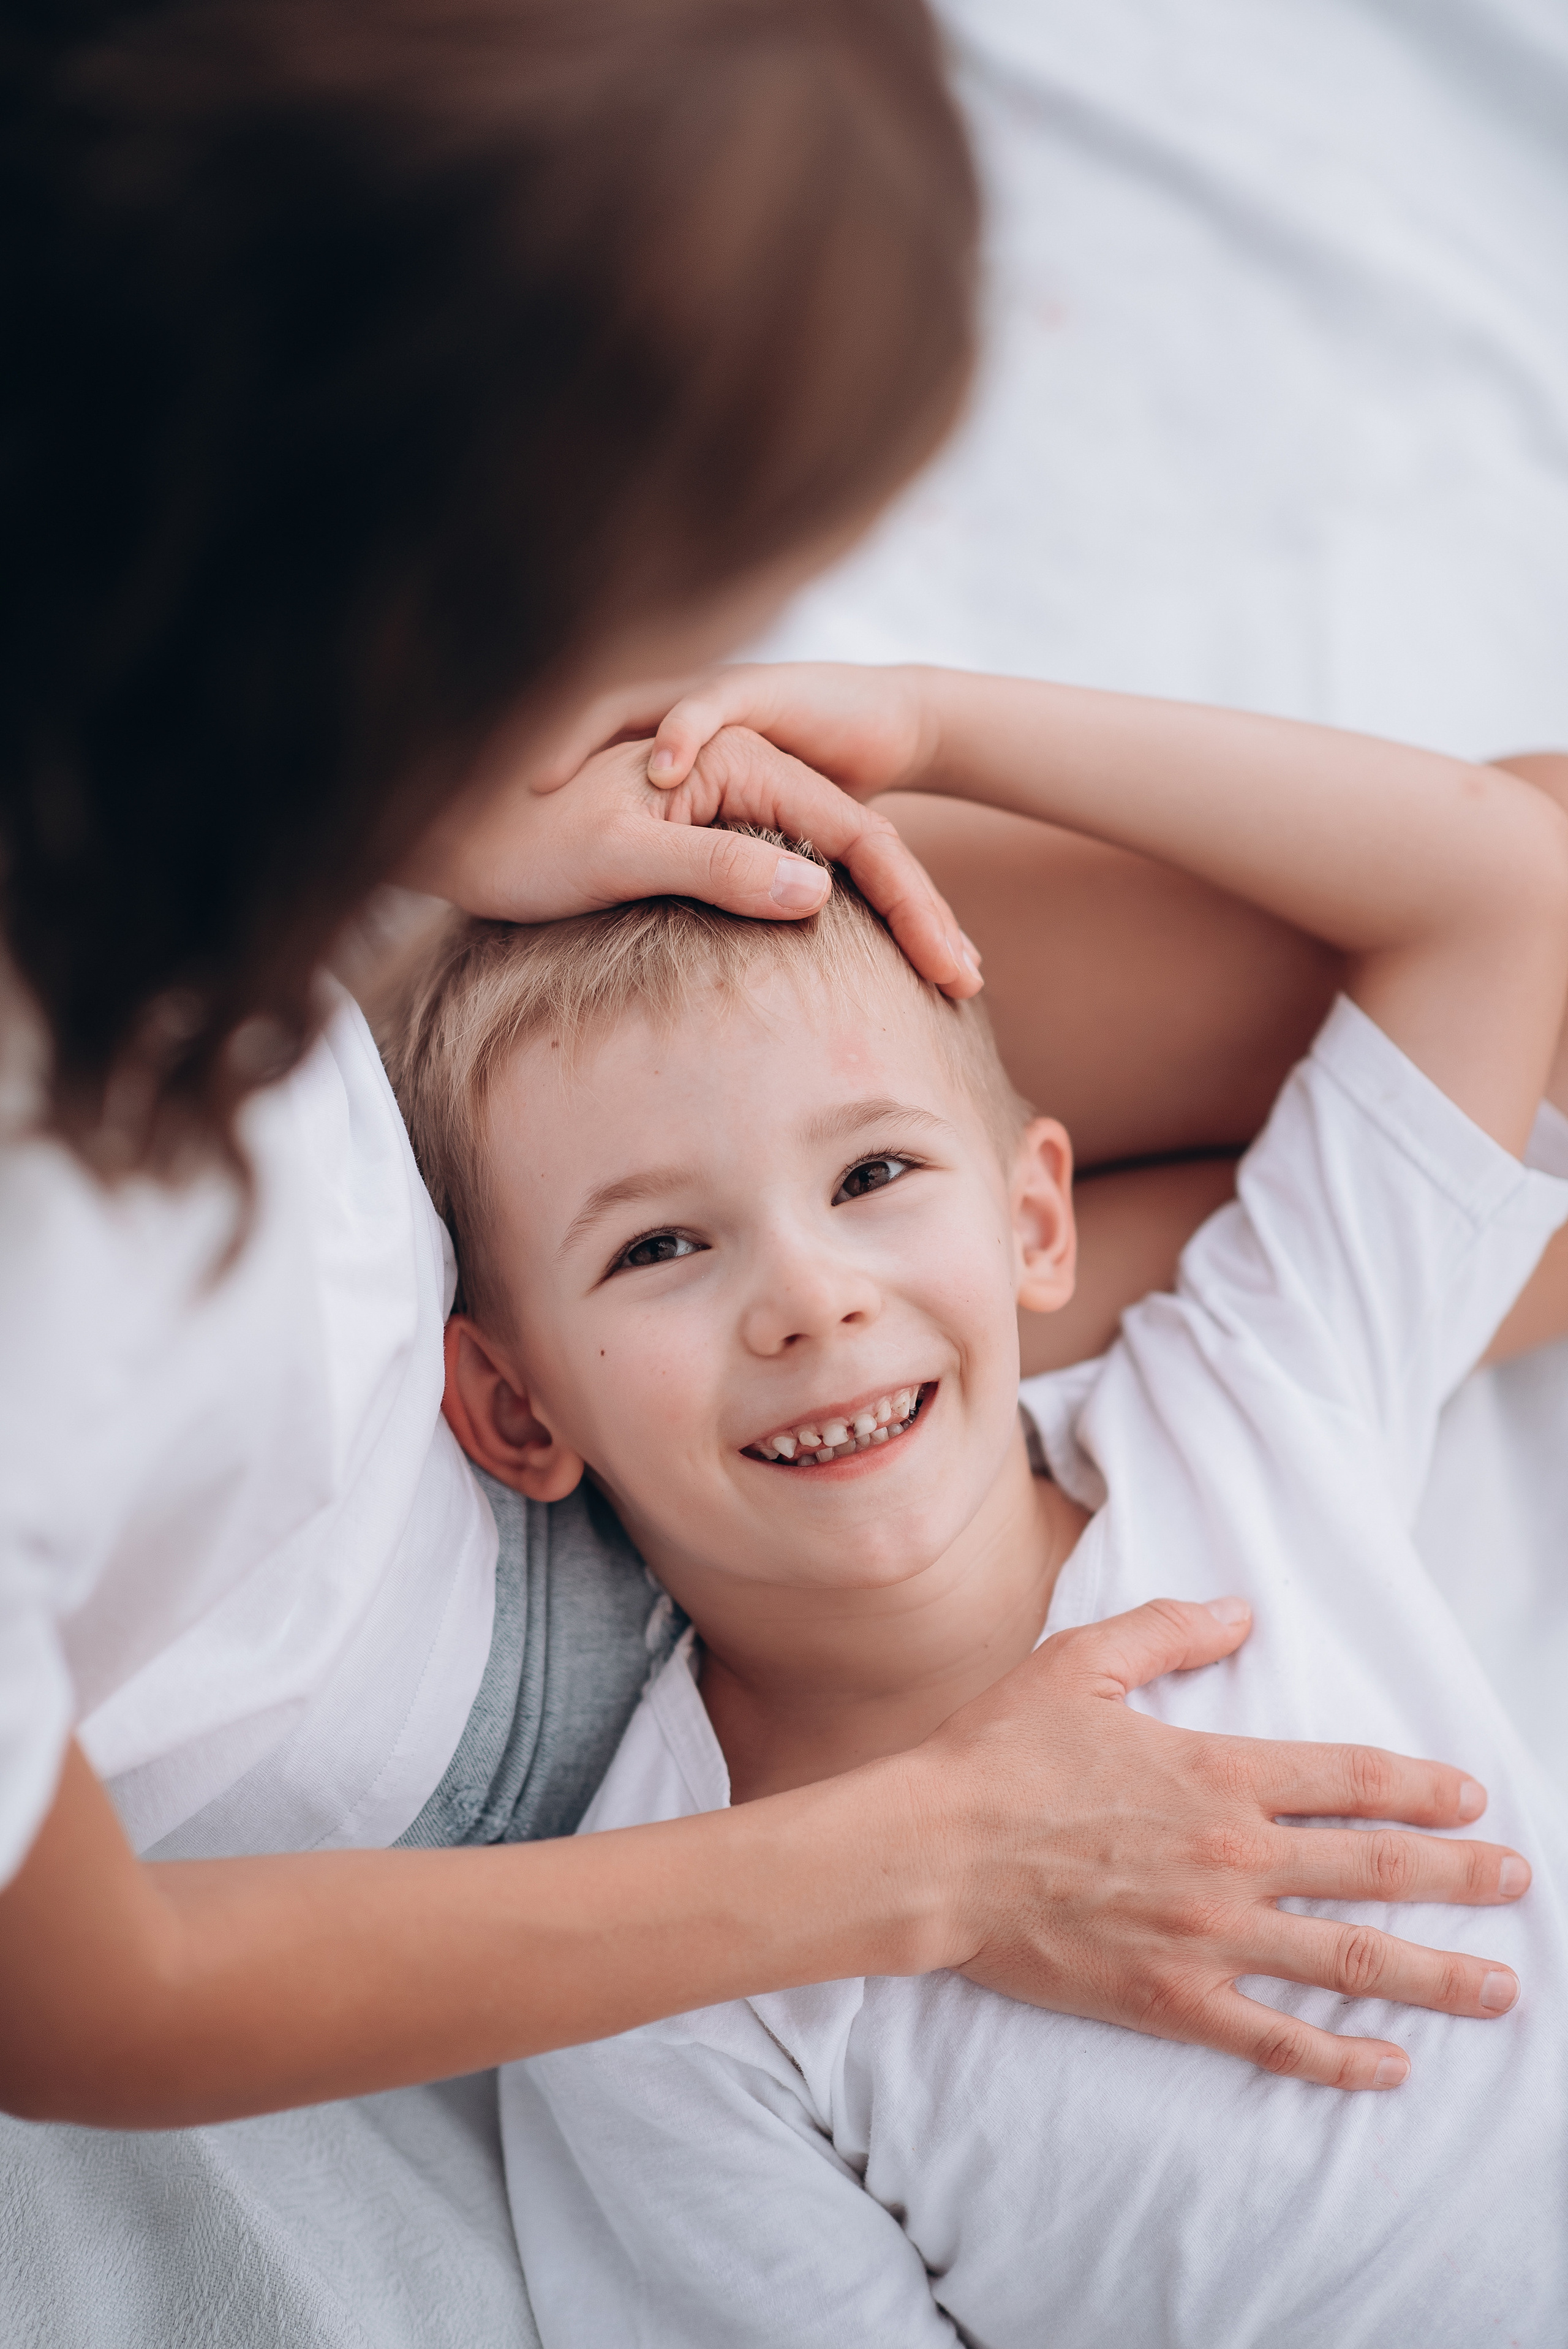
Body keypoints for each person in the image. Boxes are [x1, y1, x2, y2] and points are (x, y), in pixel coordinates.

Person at [0, 0, 1526, 2153]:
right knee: (1451, 1149)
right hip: (508, 1639)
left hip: (446, 1149)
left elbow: (1493, 897)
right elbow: (76, 2007)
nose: (676, 689)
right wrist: (934, 1855)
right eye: (641, 620)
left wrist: (411, 818)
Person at [382, 671, 1568, 2344]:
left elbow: (1510, 877)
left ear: (1035, 1221)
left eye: (872, 1176)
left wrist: (935, 729)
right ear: (517, 1406)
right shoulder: (656, 1973)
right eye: (659, 1247)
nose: (811, 1300)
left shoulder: (1241, 1404)